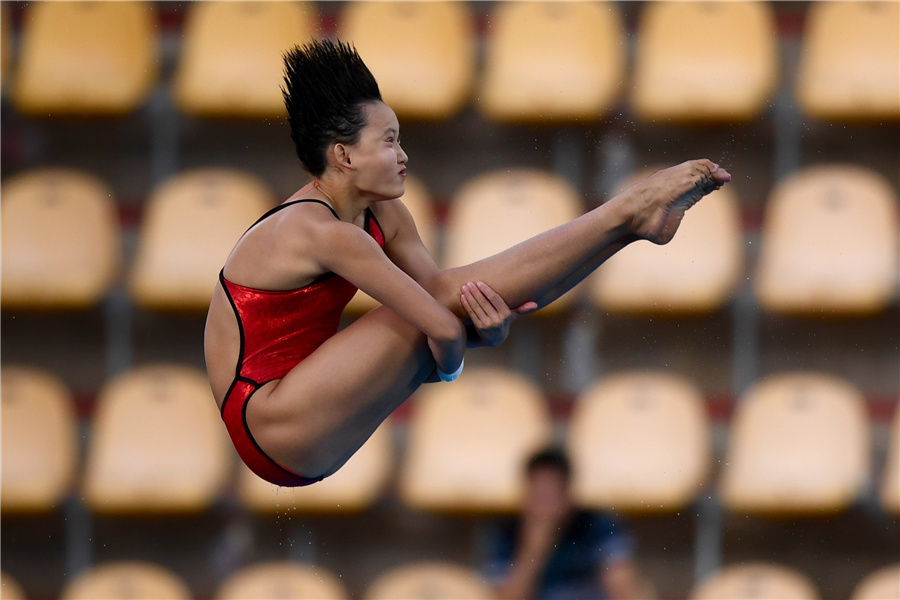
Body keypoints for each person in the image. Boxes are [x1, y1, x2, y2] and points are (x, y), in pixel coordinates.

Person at [203, 39, 732, 487]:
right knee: (445, 305)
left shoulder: (382, 213)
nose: (404, 155)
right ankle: (624, 211)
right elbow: (437, 318)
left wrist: (481, 330)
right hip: (267, 421)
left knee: (461, 299)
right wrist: (458, 356)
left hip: (306, 411)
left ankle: (629, 230)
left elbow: (446, 300)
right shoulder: (318, 231)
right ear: (343, 156)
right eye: (389, 141)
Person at [486, 448, 641, 600]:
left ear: (568, 493)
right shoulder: (505, 534)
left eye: (552, 493)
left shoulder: (598, 525)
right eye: (539, 494)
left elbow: (622, 588)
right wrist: (533, 550)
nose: (546, 504)